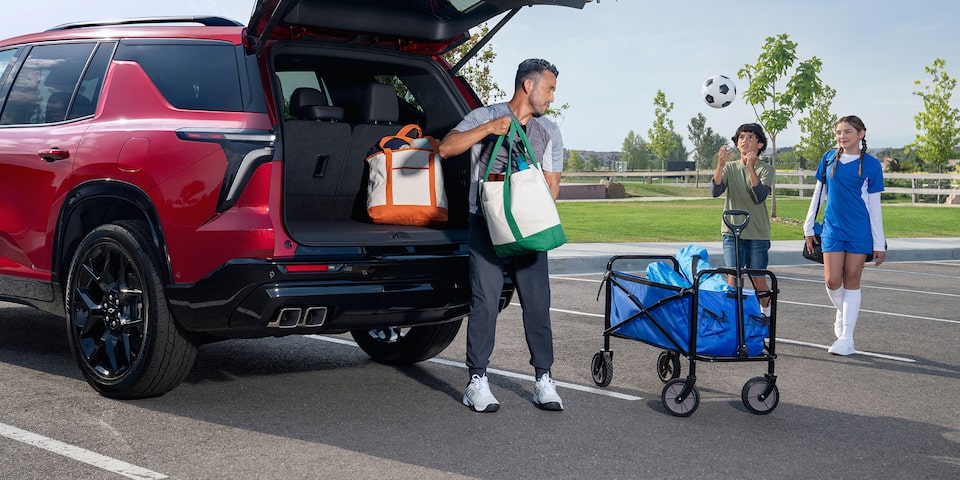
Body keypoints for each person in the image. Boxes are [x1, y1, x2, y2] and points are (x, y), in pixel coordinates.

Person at [438, 58, 564, 412]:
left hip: (528, 228)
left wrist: (524, 200)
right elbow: (446, 148)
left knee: (538, 305)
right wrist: (489, 129)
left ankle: (544, 379)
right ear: (528, 85)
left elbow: (551, 188)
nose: (552, 97)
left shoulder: (549, 132)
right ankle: (477, 380)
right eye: (549, 89)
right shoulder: (485, 116)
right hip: (485, 224)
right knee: (484, 303)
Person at [803, 115, 886, 356]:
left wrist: (879, 243)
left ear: (861, 134)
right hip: (832, 229)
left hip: (859, 231)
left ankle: (847, 338)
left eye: (847, 132)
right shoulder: (829, 158)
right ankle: (843, 311)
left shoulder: (871, 164)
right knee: (832, 281)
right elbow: (818, 194)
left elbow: (874, 206)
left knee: (851, 280)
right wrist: (809, 227)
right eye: (839, 132)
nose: (842, 136)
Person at [711, 123, 775, 317]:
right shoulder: (729, 168)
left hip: (757, 232)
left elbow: (759, 195)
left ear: (760, 144)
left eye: (750, 137)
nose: (744, 141)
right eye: (741, 137)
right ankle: (733, 318)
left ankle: (765, 314)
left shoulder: (766, 169)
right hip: (731, 231)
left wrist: (750, 168)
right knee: (734, 274)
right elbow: (715, 191)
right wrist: (720, 165)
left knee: (758, 277)